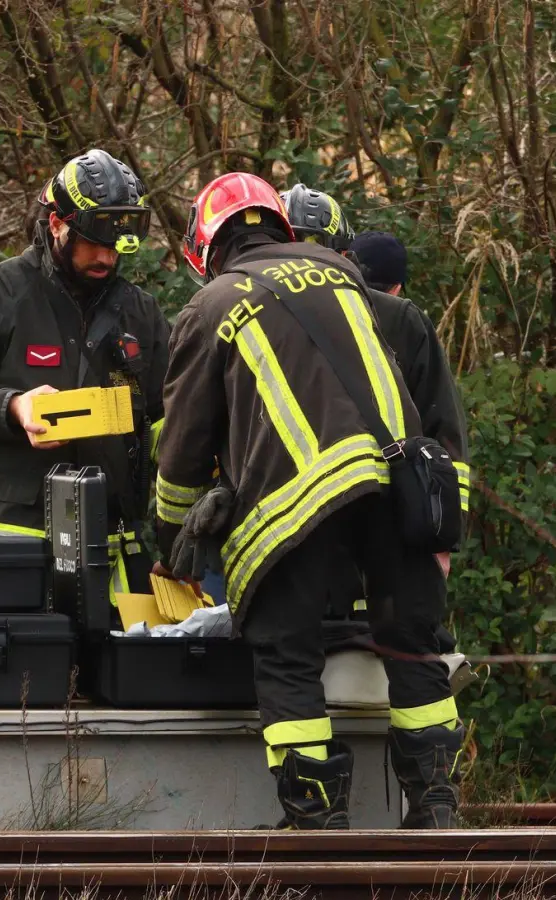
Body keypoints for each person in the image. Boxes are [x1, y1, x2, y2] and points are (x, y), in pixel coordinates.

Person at [154, 172, 463, 830]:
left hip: (299, 502)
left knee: (286, 654)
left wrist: (170, 533)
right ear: (281, 227)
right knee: (413, 645)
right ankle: (436, 811)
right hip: (397, 480)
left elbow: (182, 447)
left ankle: (317, 824)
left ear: (206, 248)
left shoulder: (210, 306)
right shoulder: (341, 273)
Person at [0, 149, 168, 604]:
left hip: (109, 547)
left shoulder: (140, 313)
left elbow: (162, 416)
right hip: (7, 543)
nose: (106, 257)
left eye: (116, 245)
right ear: (56, 223)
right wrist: (13, 408)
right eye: (94, 241)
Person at [280, 186, 470, 595]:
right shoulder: (248, 318)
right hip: (298, 534)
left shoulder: (398, 319)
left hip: (373, 522)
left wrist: (443, 533)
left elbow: (442, 430)